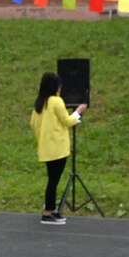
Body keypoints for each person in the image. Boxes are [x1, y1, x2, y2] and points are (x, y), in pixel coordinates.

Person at [30, 71, 82, 225]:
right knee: (53, 181)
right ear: (55, 86)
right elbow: (67, 121)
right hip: (58, 148)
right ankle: (48, 213)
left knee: (52, 179)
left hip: (46, 148)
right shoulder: (56, 101)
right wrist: (78, 112)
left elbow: (33, 123)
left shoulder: (40, 103)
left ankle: (51, 210)